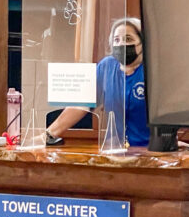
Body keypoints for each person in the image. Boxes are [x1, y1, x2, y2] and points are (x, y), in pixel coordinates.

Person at [46, 17, 150, 148]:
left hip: (151, 151)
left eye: (128, 39)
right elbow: (82, 105)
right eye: (116, 40)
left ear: (143, 42)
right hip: (116, 150)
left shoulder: (153, 70)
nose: (121, 44)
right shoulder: (107, 66)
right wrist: (49, 134)